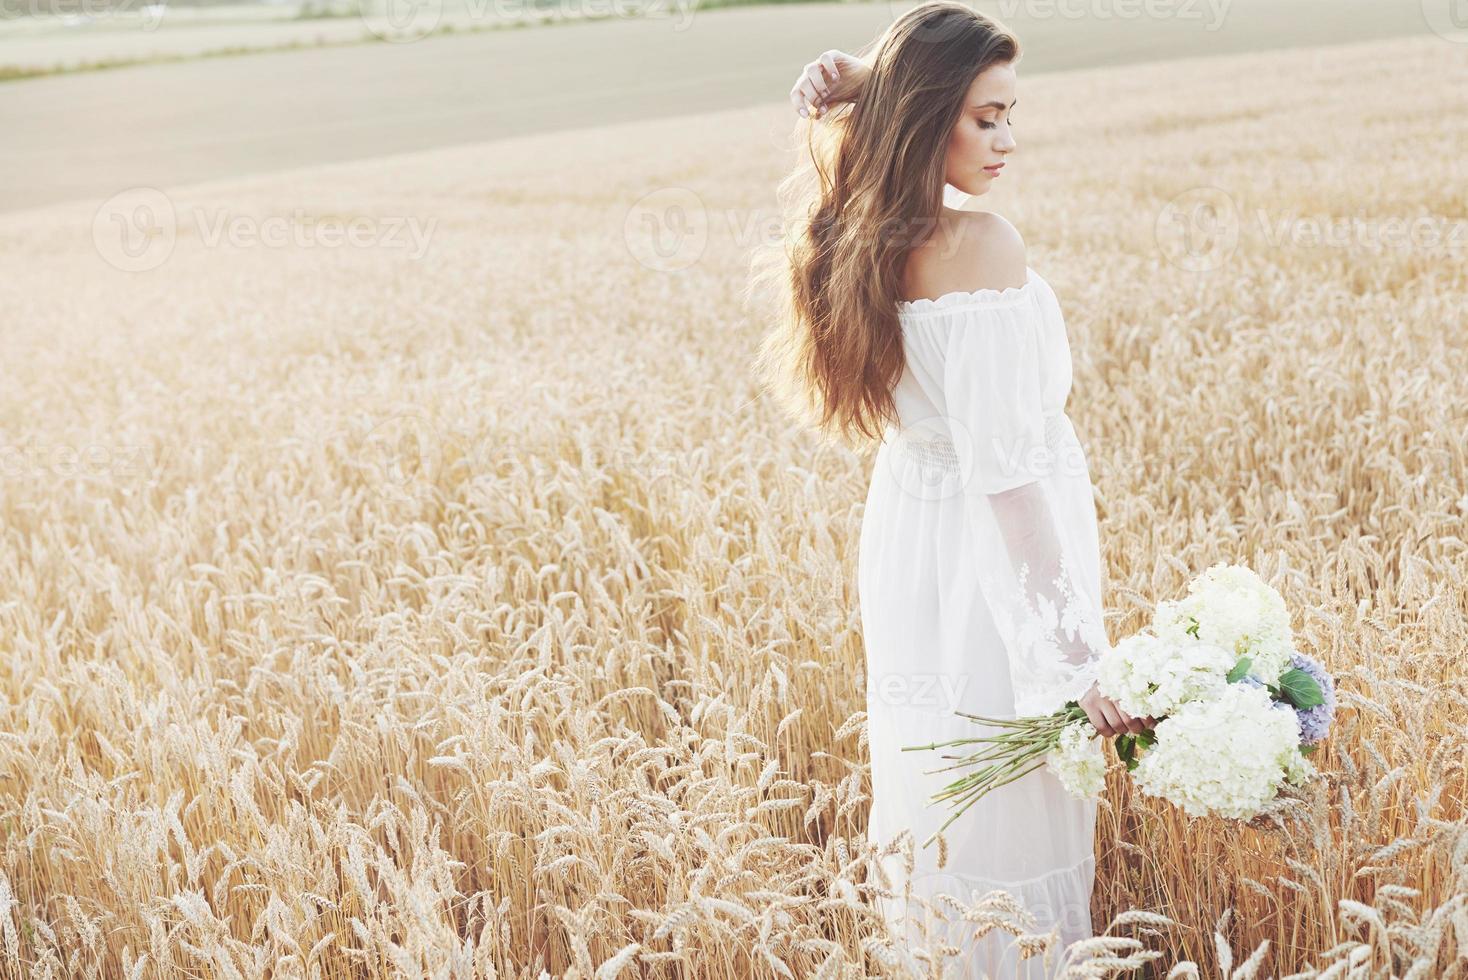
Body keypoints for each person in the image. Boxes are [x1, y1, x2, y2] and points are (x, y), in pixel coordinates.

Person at [751, 4, 1155, 976]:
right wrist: (1074, 655)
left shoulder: (861, 231)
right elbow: (1009, 479)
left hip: (912, 545)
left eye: (1011, 113)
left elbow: (978, 458)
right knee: (1013, 818)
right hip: (989, 562)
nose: (1006, 138)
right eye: (983, 116)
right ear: (927, 113)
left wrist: (872, 86)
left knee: (943, 791)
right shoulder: (980, 244)